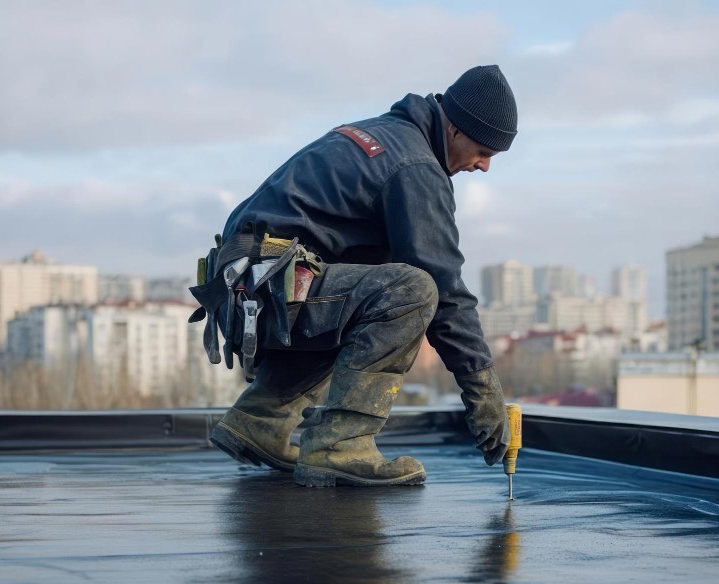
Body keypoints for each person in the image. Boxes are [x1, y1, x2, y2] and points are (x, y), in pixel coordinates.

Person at [190, 65, 516, 487]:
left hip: (249, 287)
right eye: (484, 150)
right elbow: (446, 288)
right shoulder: (416, 167)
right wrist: (483, 391)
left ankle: (262, 420)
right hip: (268, 290)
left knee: (362, 292)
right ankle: (340, 445)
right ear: (455, 130)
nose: (485, 166)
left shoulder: (383, 135)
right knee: (412, 292)